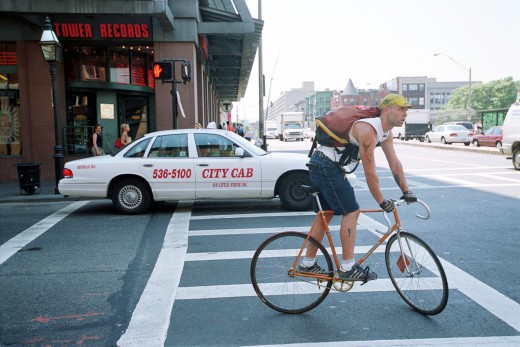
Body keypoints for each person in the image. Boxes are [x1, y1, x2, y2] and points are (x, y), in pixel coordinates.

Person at [301, 94, 417, 282]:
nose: (405, 114)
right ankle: (347, 268)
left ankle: (307, 264)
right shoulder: (368, 130)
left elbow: (394, 163)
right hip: (326, 165)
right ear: (387, 110)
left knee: (327, 213)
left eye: (406, 110)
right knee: (352, 211)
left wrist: (407, 190)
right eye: (401, 109)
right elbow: (370, 172)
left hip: (323, 164)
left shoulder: (386, 133)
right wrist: (381, 201)